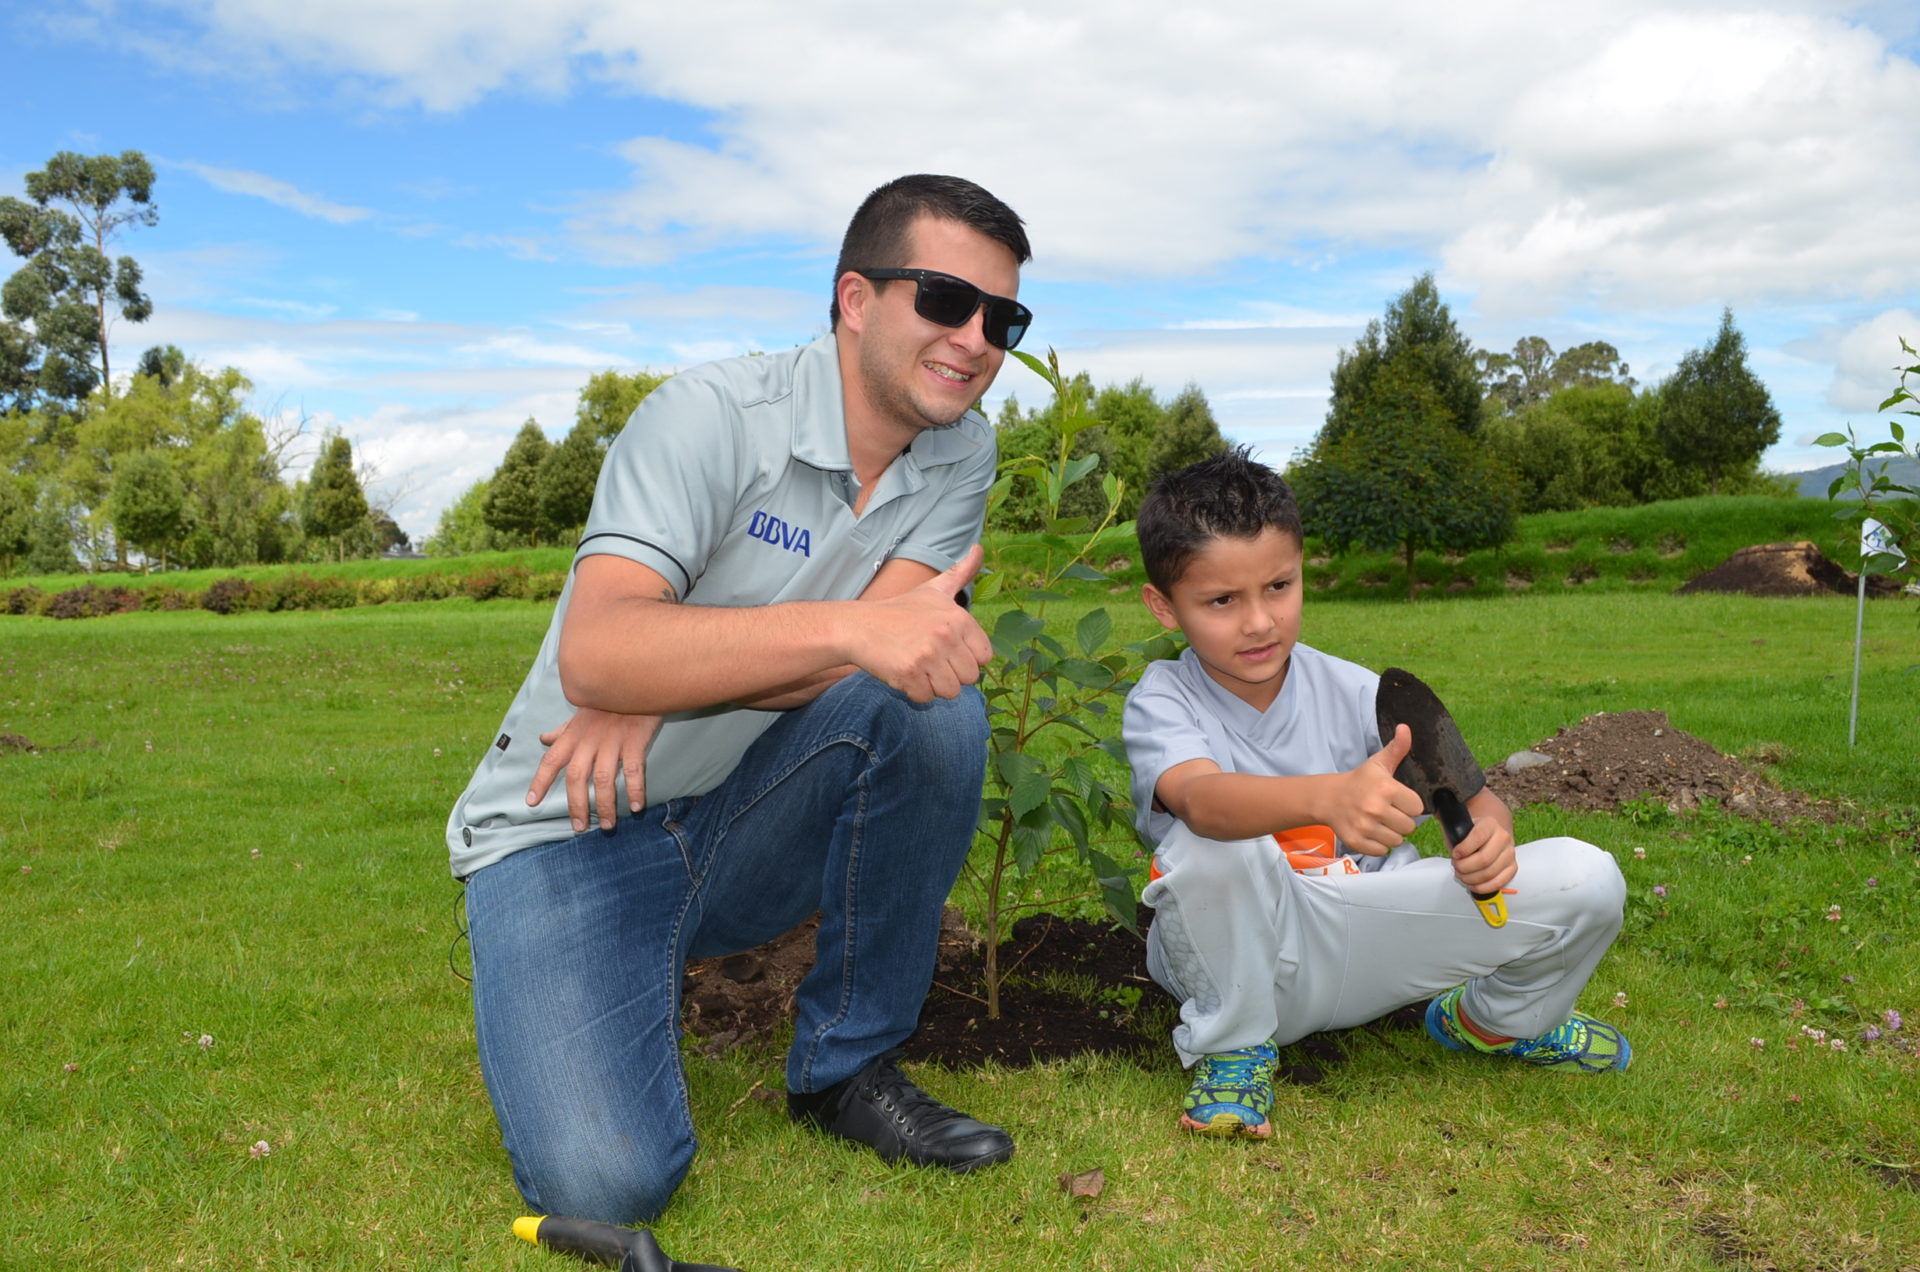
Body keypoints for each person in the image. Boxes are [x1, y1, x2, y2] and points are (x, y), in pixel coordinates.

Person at [445, 174, 1034, 1222]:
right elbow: (602, 652)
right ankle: (603, 962)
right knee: (609, 1184)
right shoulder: (709, 416)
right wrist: (648, 663)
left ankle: (847, 1068)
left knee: (935, 708)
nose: (977, 338)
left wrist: (673, 666)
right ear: (856, 299)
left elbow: (891, 662)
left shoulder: (961, 450)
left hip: (738, 819)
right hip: (565, 828)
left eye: (1003, 317)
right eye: (946, 300)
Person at [1122, 448, 1629, 1140]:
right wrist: (1329, 799)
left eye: (1279, 586)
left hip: (1366, 926)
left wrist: (1488, 838)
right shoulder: (1164, 698)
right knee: (1211, 846)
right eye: (1221, 601)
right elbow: (1202, 802)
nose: (1260, 622)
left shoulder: (1366, 692)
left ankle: (1493, 1024)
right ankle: (1234, 1048)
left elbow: (1472, 798)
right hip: (1244, 954)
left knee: (1589, 879)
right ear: (1163, 606)